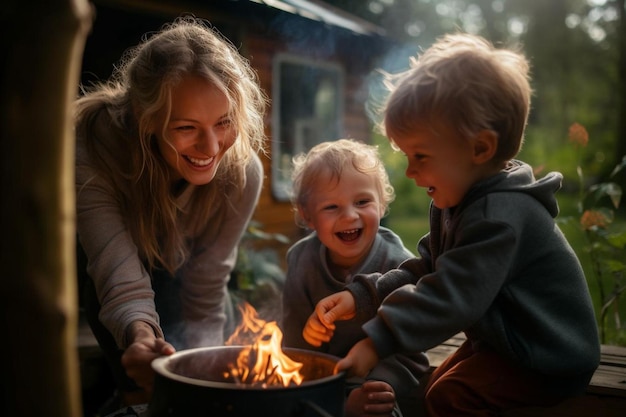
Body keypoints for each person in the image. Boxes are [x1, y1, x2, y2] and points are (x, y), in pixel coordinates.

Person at [304, 33, 601, 416]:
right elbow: (426, 269)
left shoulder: (499, 217)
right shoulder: (456, 199)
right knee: (436, 388)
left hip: (548, 354)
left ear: (480, 148)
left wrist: (376, 343)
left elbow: (450, 296)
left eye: (421, 156)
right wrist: (360, 297)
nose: (410, 171)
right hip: (507, 340)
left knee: (450, 398)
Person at [75, 16, 267, 410]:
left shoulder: (243, 172)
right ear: (148, 120)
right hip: (104, 274)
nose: (211, 146)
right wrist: (141, 338)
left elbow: (208, 282)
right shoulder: (92, 148)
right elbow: (116, 273)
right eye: (186, 127)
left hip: (184, 273)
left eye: (224, 122)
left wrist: (206, 374)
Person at [282, 139, 429, 417]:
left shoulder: (399, 264)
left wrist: (380, 384)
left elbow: (412, 346)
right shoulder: (301, 261)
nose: (350, 216)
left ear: (382, 204)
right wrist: (308, 338)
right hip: (321, 379)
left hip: (377, 375)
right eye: (331, 207)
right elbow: (294, 346)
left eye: (362, 202)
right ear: (307, 216)